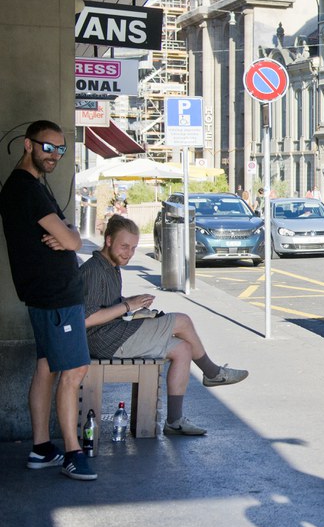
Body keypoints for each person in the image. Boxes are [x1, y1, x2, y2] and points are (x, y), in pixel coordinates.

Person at [80, 216, 248, 436]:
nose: (128, 253)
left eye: (133, 248)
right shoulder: (94, 270)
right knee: (182, 321)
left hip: (115, 334)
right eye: (124, 246)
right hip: (105, 340)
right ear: (108, 240)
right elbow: (87, 319)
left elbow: (108, 305)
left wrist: (133, 308)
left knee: (183, 349)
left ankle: (174, 421)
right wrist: (128, 305)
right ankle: (212, 372)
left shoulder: (111, 267)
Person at [0, 120, 95, 480]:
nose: (54, 154)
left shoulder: (26, 186)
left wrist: (65, 232)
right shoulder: (26, 189)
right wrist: (68, 235)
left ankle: (42, 448)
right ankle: (73, 451)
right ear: (28, 145)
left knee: (47, 367)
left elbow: (69, 232)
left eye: (60, 149)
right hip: (55, 297)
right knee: (73, 370)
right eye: (47, 147)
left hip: (43, 294)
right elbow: (73, 241)